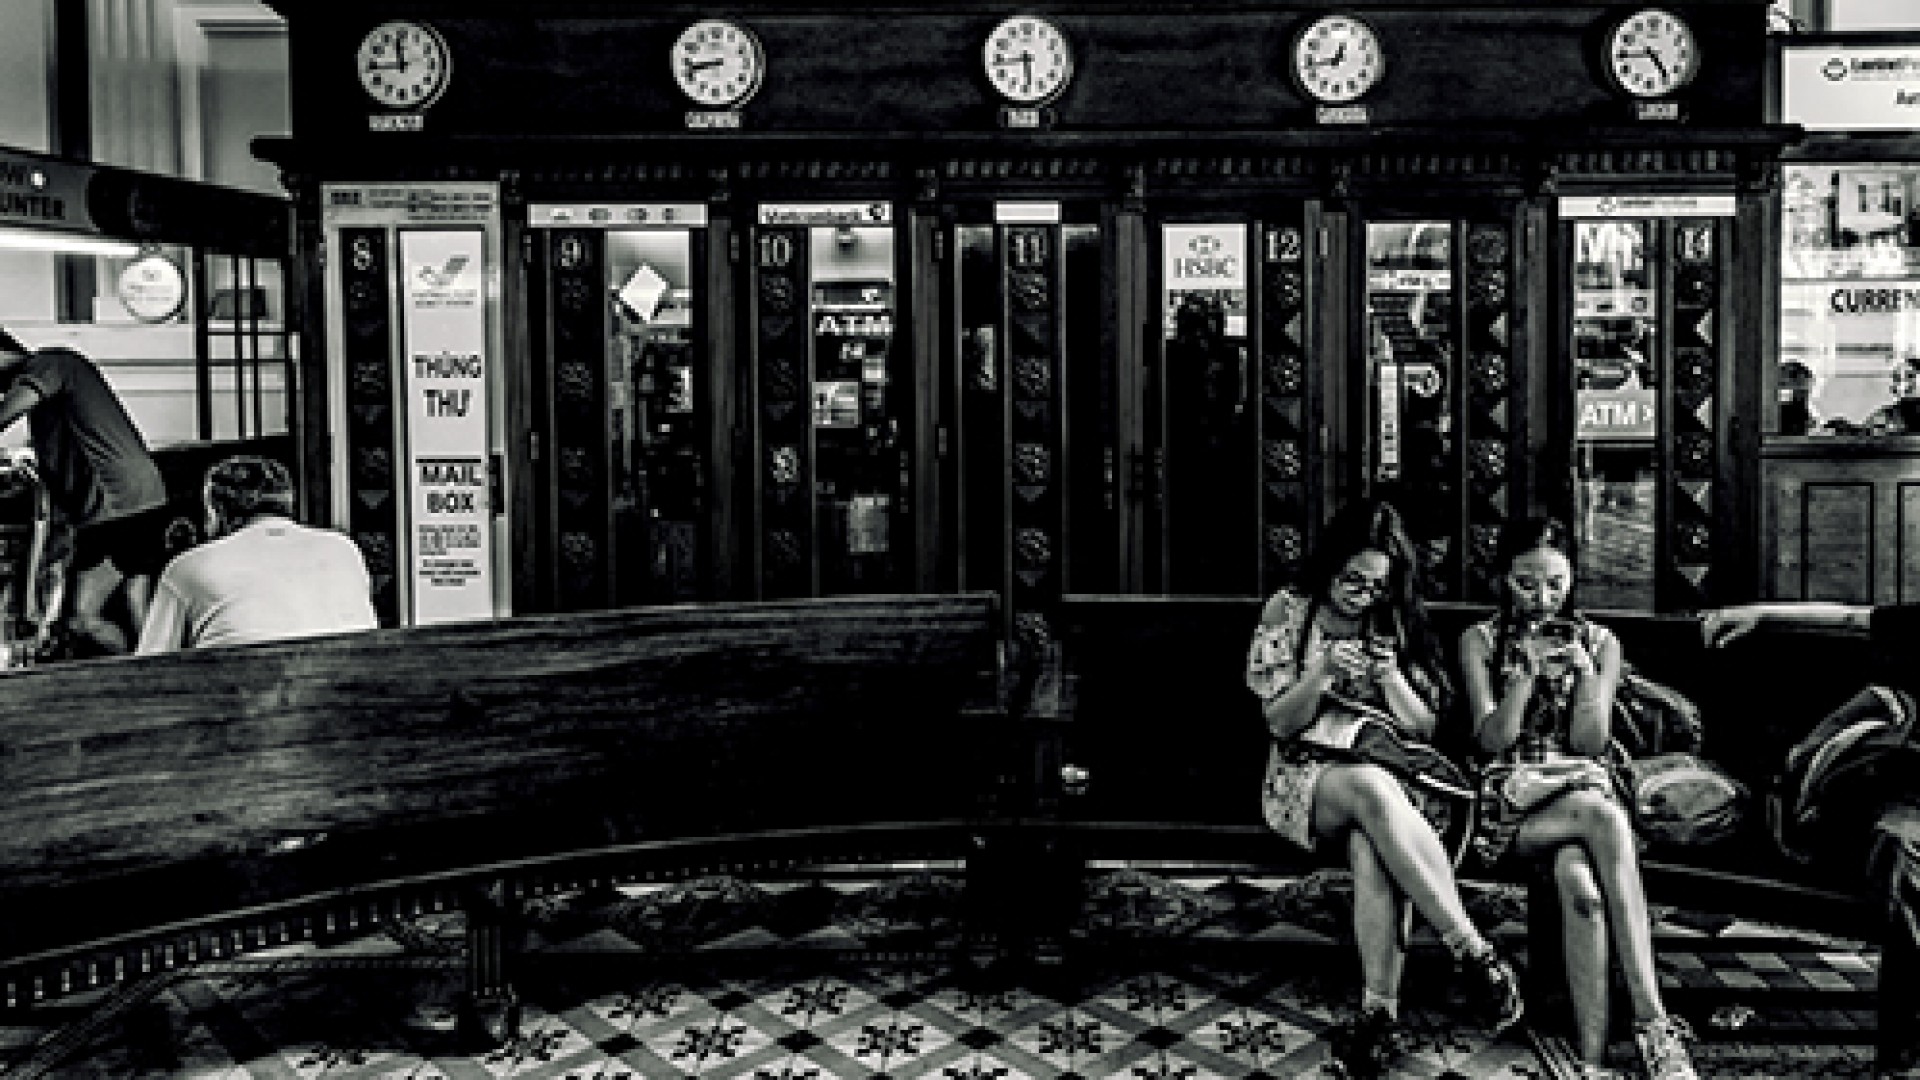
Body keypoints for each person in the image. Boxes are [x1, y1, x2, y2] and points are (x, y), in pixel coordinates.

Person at [1246, 499, 1523, 1075]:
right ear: (1329, 565)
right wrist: (1322, 675)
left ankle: (1379, 1017)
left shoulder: (1394, 619)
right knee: (1372, 792)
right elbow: (1279, 722)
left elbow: (1424, 730)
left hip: (1398, 785)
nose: (1362, 594)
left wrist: (1391, 678)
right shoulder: (1290, 610)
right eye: (1352, 579)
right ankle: (1471, 950)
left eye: (1376, 585)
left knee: (1373, 843)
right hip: (1304, 778)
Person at [1457, 517, 1696, 1080]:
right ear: (1503, 579)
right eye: (1526, 584)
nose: (1542, 599)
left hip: (1580, 791)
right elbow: (1491, 741)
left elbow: (1590, 744)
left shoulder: (1601, 642)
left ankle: (1591, 1061)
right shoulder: (1480, 640)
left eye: (1556, 585)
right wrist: (1524, 677)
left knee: (1584, 891)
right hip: (1511, 804)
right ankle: (1653, 1023)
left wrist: (1587, 678)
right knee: (1606, 820)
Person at [1702, 598, 1920, 1079]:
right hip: (1904, 802)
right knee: (1901, 856)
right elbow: (1850, 617)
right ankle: (1901, 1056)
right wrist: (1761, 614)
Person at [0, 328, 169, 655]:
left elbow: (5, 414)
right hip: (143, 500)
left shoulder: (49, 363)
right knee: (138, 609)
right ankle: (158, 669)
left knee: (80, 618)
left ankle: (142, 671)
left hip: (114, 505)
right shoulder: (54, 381)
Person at [136, 455, 377, 653]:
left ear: (217, 513)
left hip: (243, 695)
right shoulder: (343, 549)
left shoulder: (188, 566)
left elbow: (149, 664)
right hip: (353, 688)